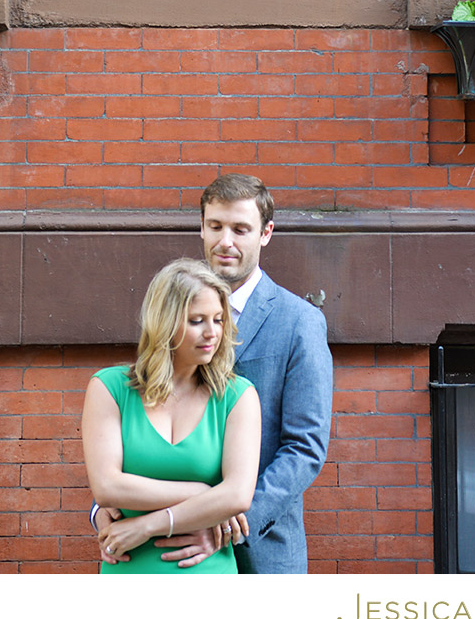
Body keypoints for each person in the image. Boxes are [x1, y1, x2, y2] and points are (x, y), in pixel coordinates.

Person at [94, 173, 334, 573]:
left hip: (260, 546)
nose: (225, 241)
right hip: (159, 551)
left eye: (240, 229)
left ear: (266, 233)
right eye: (216, 226)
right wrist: (106, 504)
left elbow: (305, 447)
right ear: (201, 228)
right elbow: (146, 419)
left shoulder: (300, 322)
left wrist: (225, 523)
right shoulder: (171, 308)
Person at [81, 257, 261, 573]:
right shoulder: (109, 388)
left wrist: (148, 525)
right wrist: (202, 493)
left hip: (209, 573)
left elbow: (237, 496)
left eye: (219, 320)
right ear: (163, 323)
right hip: (130, 571)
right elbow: (107, 487)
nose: (212, 333)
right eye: (197, 321)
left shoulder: (237, 396)